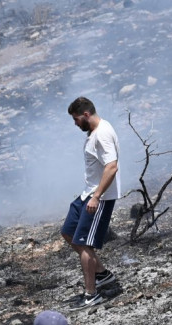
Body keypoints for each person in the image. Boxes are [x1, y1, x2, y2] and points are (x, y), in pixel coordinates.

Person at [62, 96, 121, 309]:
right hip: (87, 194)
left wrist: (96, 197)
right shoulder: (95, 132)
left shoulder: (103, 134)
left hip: (99, 198)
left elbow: (112, 166)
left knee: (85, 244)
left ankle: (91, 294)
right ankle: (102, 274)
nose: (75, 123)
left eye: (76, 119)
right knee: (68, 232)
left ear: (86, 115)